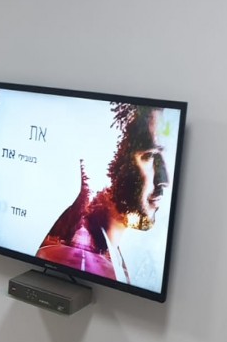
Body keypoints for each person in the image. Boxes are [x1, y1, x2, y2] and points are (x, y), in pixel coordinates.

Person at [36, 104, 169, 283]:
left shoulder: (117, 255)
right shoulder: (93, 259)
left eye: (162, 156)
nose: (165, 180)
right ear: (119, 163)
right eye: (149, 156)